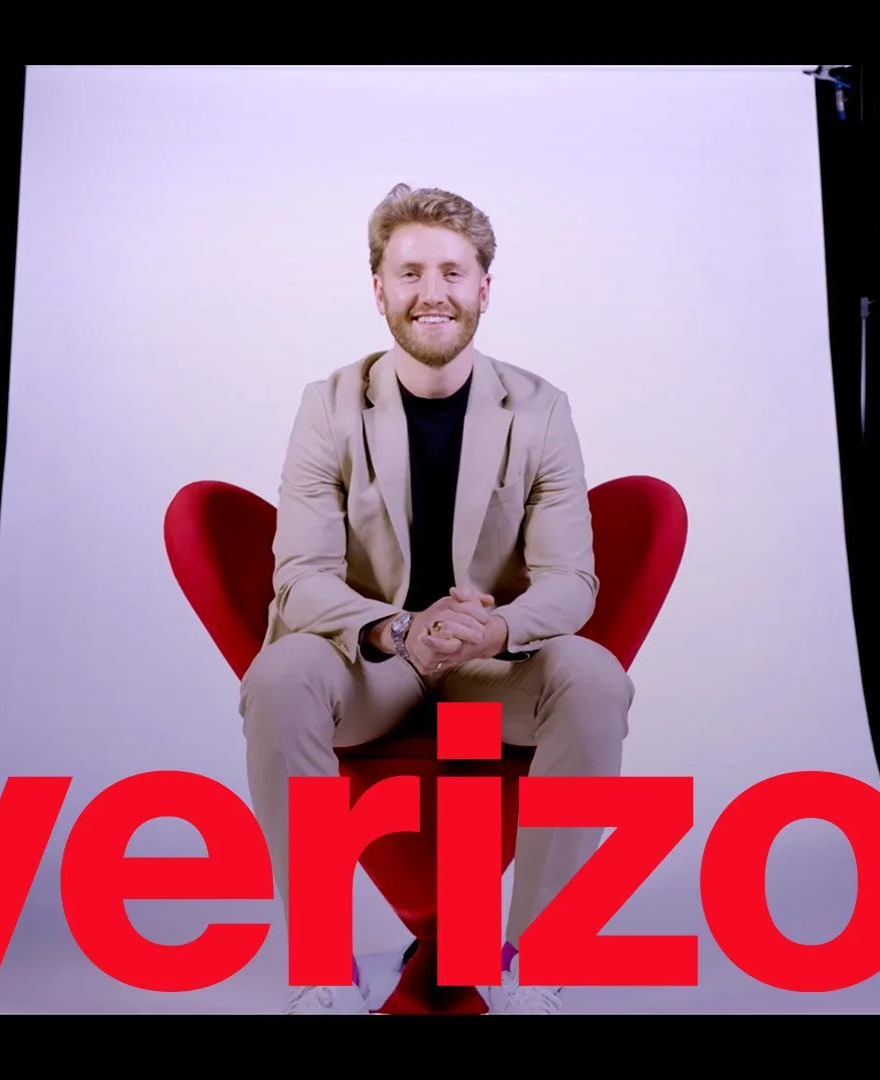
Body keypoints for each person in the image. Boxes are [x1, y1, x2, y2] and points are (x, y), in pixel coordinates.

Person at [239, 184, 633, 1014]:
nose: (433, 293)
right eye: (409, 271)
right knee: (278, 676)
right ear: (378, 288)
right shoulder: (329, 405)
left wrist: (495, 629)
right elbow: (300, 574)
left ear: (484, 288)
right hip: (372, 667)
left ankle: (537, 968)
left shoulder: (540, 408)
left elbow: (572, 582)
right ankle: (323, 968)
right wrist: (395, 627)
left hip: (491, 674)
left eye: (453, 272)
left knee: (594, 676)